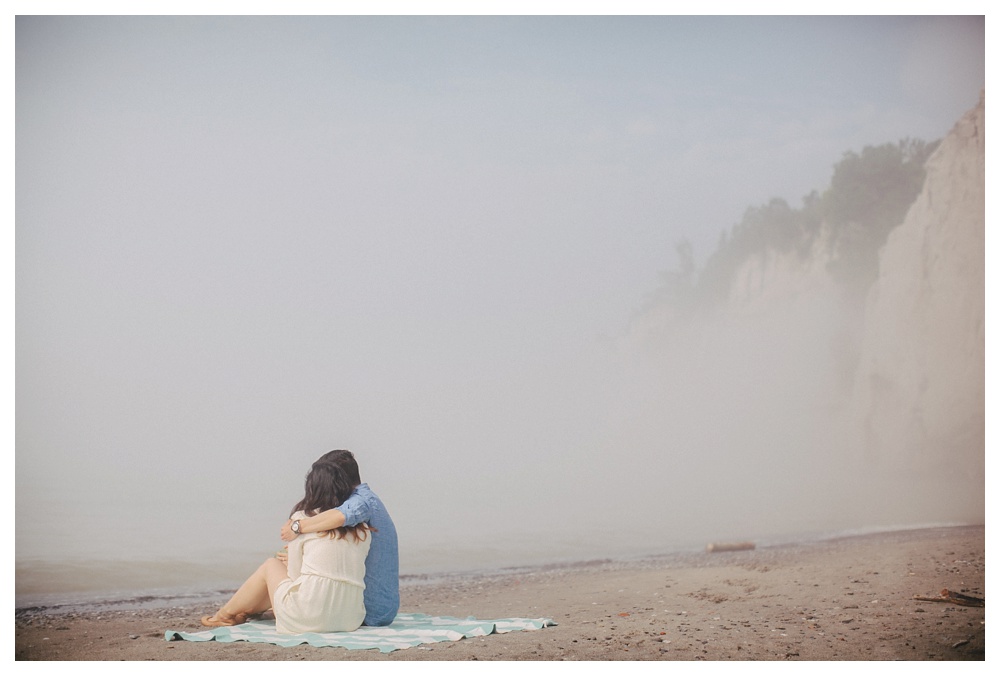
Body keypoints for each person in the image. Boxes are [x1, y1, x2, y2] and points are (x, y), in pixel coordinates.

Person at [201, 458, 372, 634]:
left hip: (308, 618)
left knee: (271, 565)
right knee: (284, 574)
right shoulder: (362, 528)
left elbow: (294, 575)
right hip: (350, 619)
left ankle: (224, 615)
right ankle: (246, 611)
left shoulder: (302, 521)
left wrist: (293, 560)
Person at [280, 449, 399, 626]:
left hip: (371, 610)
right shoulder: (362, 499)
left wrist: (297, 527)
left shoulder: (362, 501)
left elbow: (340, 516)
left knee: (279, 569)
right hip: (378, 609)